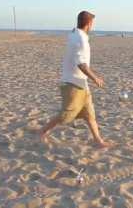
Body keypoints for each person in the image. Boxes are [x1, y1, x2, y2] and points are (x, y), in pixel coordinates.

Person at [37, 11, 112, 148]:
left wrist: (91, 77)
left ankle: (98, 141)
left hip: (82, 83)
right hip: (73, 83)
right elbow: (81, 63)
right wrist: (95, 78)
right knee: (66, 115)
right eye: (92, 23)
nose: (92, 26)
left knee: (89, 114)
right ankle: (42, 131)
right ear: (89, 24)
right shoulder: (81, 39)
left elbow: (80, 57)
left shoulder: (75, 34)